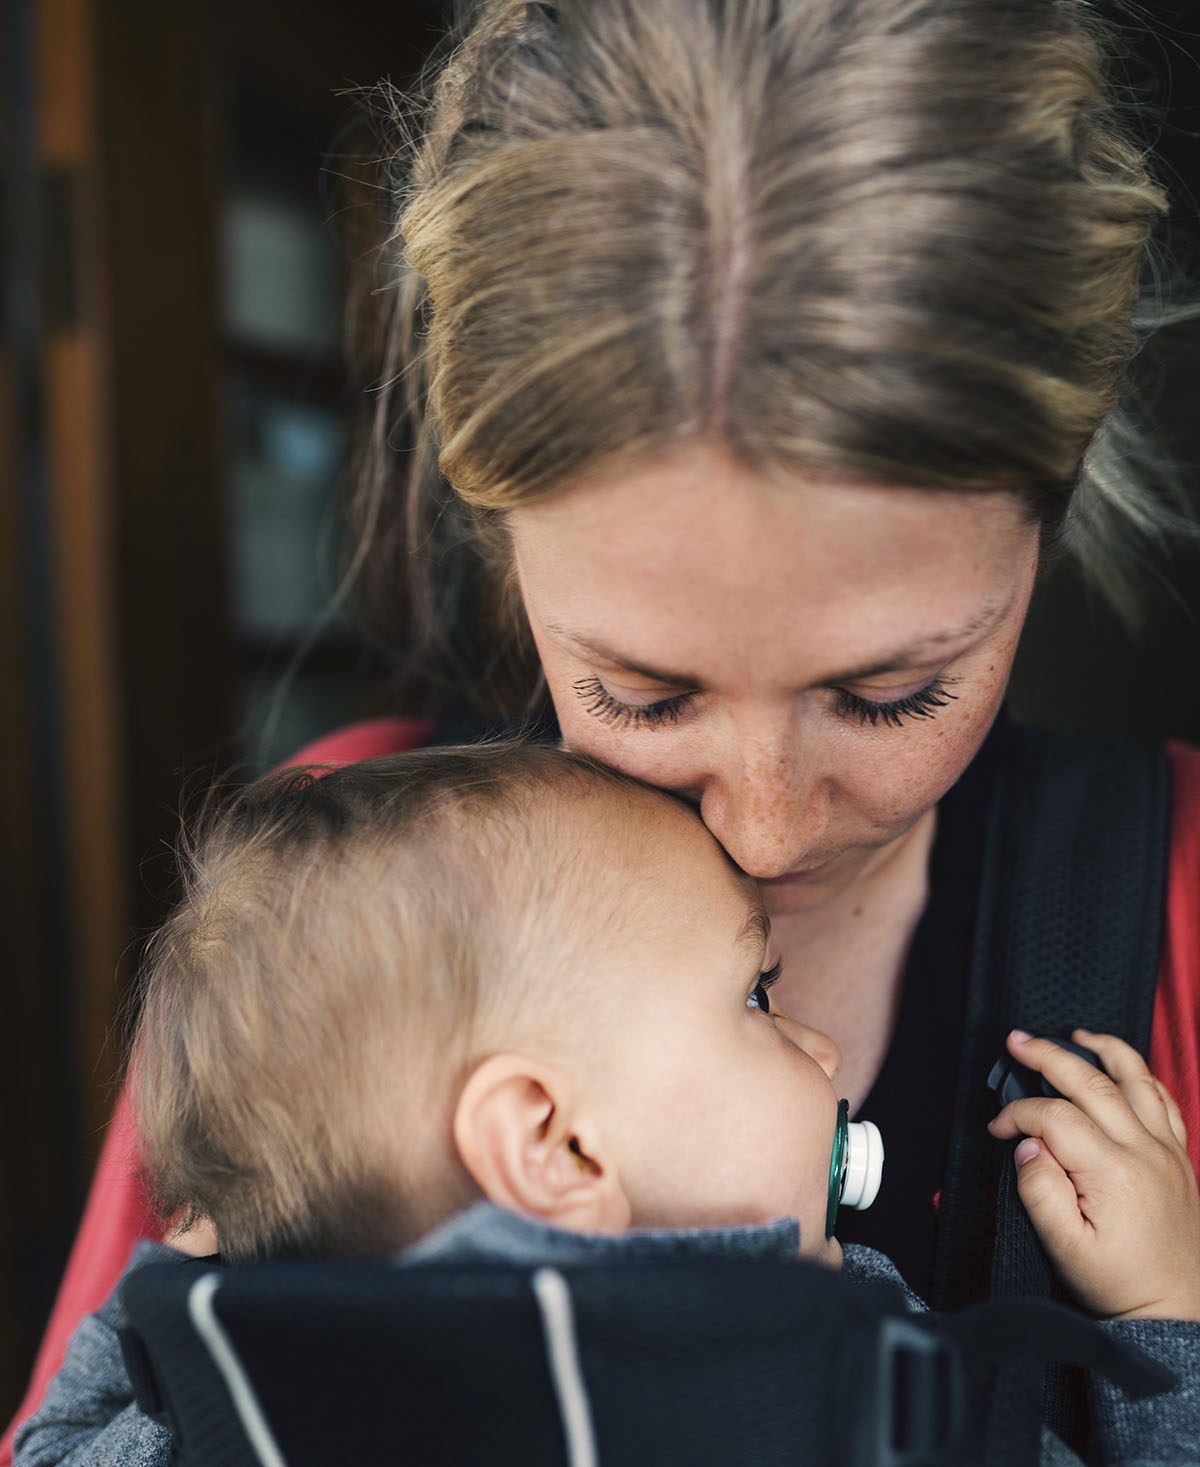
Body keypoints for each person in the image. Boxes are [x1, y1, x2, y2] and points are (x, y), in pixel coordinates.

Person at [6, 0, 1200, 1455]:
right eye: (642, 691)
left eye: (893, 690)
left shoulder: (1174, 906)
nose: (761, 829)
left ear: (1047, 525)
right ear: (501, 544)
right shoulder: (341, 943)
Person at [13, 745, 1200, 1467]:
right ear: (552, 1142)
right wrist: (1162, 1311)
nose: (821, 1039)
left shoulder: (227, 1401)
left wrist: (193, 1280)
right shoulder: (844, 1390)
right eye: (758, 995)